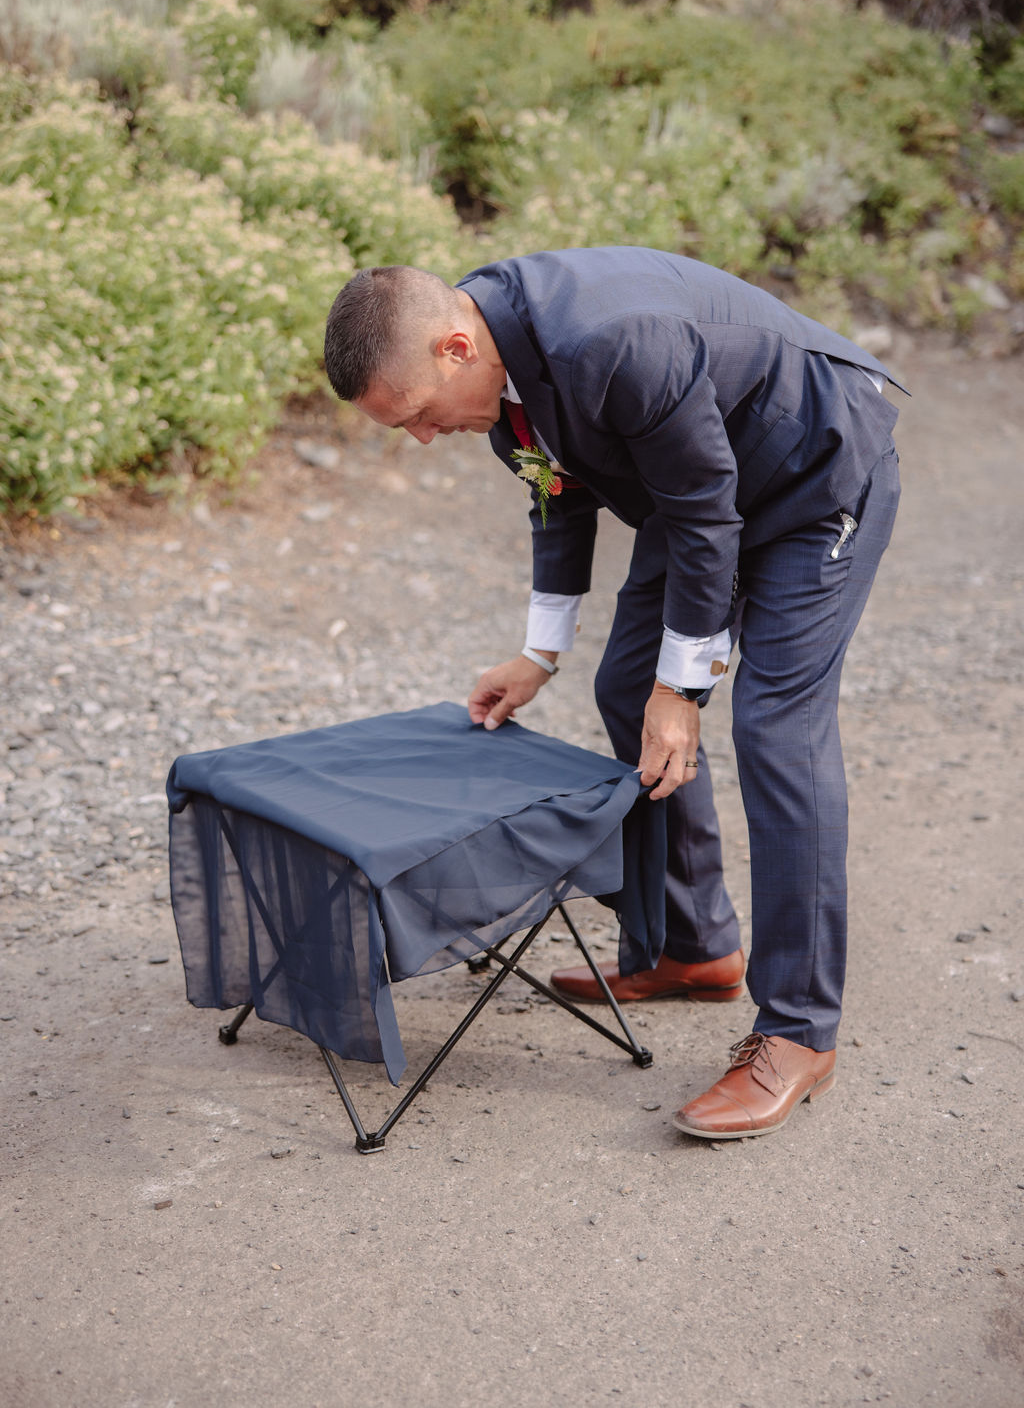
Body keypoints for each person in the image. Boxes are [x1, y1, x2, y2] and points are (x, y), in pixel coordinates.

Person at [322, 248, 902, 1140]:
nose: (424, 439)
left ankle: (798, 1031)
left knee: (776, 726)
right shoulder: (495, 361)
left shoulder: (612, 340)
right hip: (708, 488)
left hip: (814, 474)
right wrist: (538, 654)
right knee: (624, 679)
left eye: (420, 417)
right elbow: (555, 489)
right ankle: (694, 943)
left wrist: (687, 686)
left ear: (454, 349)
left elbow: (711, 512)